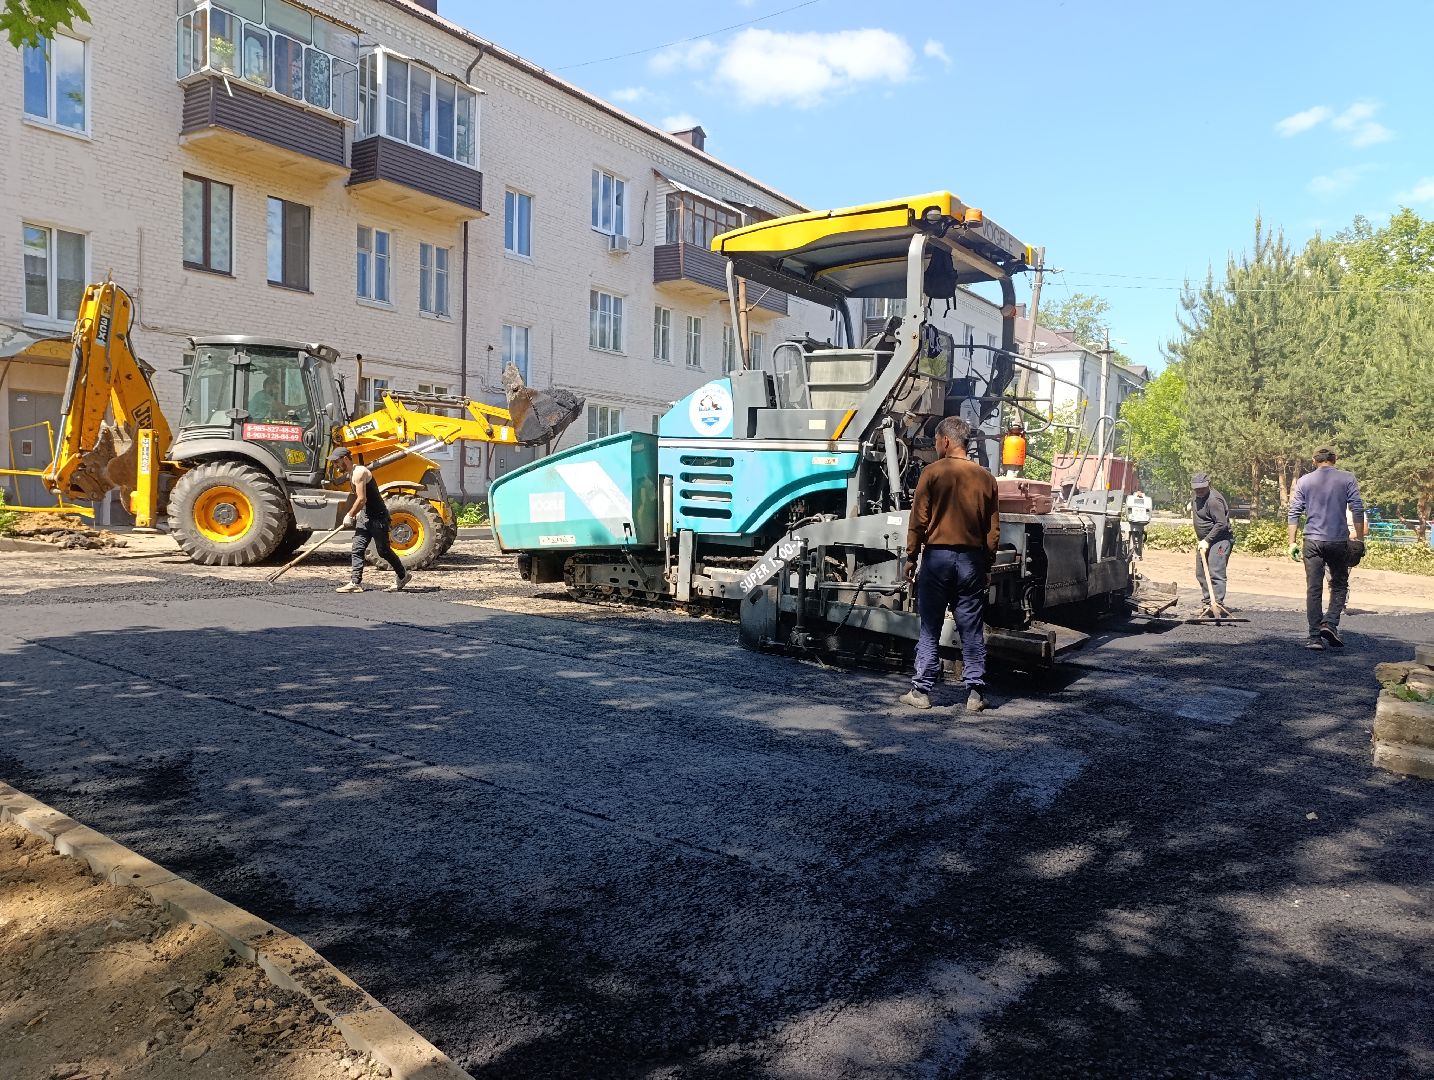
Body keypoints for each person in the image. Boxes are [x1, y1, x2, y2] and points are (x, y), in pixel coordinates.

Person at [899, 415, 1000, 715]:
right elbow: (993, 530)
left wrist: (911, 556)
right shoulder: (986, 478)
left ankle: (921, 691)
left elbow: (918, 520)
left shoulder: (931, 473)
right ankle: (975, 694)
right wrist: (987, 564)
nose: (935, 446)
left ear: (945, 441)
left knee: (930, 627)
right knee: (971, 628)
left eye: (936, 442)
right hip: (971, 561)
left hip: (937, 559)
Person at [1287, 447, 1365, 650]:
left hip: (1311, 540)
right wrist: (1360, 539)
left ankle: (1314, 637)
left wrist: (1292, 542)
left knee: (1314, 588)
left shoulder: (1305, 480)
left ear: (1314, 461)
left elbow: (1294, 512)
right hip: (1337, 540)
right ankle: (1329, 623)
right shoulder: (1347, 478)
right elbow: (1357, 508)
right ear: (1334, 459)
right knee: (1339, 584)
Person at [329, 448, 411, 594]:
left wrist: (350, 514)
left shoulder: (359, 472)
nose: (335, 465)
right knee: (357, 548)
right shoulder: (351, 474)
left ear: (345, 459)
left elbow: (362, 499)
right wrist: (357, 513)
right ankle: (355, 582)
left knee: (383, 551)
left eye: (336, 462)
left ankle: (403, 575)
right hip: (365, 516)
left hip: (378, 517)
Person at [1190, 473, 1234, 617]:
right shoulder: (1197, 497)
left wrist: (1207, 540)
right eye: (1197, 489)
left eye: (1202, 488)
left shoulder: (1214, 500)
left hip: (1220, 540)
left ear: (1208, 484)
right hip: (1205, 541)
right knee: (1201, 572)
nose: (1199, 491)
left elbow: (1221, 524)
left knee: (1216, 571)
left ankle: (1218, 604)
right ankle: (1208, 603)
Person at [1126, 486, 1153, 558]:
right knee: (1134, 536)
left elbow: (1148, 511)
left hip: (1138, 523)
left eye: (1141, 491)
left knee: (1138, 536)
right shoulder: (1133, 498)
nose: (1140, 493)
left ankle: (1138, 553)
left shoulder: (1145, 499)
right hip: (1135, 523)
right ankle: (1134, 553)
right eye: (1139, 491)